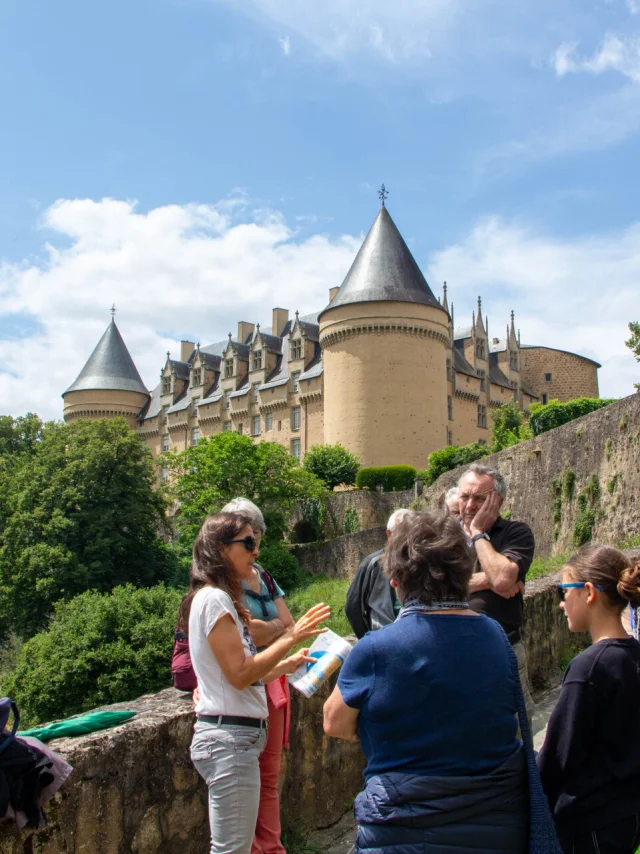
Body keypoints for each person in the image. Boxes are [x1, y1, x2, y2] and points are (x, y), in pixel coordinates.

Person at [324, 511, 559, 854]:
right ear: (464, 574)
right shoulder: (495, 635)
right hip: (497, 824)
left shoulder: (376, 648)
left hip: (403, 827)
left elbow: (334, 723)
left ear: (395, 580)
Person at [181, 512, 330, 854]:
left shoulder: (217, 598)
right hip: (229, 740)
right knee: (232, 850)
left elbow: (237, 675)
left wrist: (282, 665)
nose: (256, 552)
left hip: (234, 738)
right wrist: (291, 637)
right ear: (220, 550)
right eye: (247, 543)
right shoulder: (215, 599)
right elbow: (240, 673)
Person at [538, 544, 640, 854]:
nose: (561, 603)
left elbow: (557, 758)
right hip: (628, 816)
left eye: (563, 591)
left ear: (588, 592)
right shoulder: (631, 656)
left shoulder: (589, 668)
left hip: (589, 822)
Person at [221, 497, 294, 854]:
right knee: (245, 778)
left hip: (273, 681)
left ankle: (271, 847)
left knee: (268, 776)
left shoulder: (263, 575)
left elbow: (290, 626)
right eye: (249, 540)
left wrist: (273, 628)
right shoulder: (221, 583)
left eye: (257, 537)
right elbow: (247, 634)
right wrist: (276, 628)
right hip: (243, 685)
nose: (256, 546)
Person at [458, 463, 536, 723]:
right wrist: (488, 580)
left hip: (503, 652)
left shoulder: (516, 533)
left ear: (497, 501)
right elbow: (425, 587)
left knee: (514, 731)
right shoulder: (441, 537)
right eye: (465, 496)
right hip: (451, 653)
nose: (469, 506)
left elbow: (503, 578)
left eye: (479, 499)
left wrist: (479, 534)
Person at [344, 509, 415, 638]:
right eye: (402, 536)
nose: (407, 542)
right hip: (382, 638)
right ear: (389, 534)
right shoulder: (372, 564)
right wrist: (367, 638)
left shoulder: (422, 563)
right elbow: (353, 606)